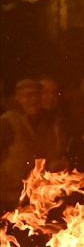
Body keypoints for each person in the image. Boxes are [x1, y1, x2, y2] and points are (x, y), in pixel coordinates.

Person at [1, 79, 44, 212]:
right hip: (6, 199)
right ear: (18, 98)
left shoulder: (44, 124)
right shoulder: (8, 122)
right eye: (28, 95)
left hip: (31, 198)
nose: (33, 100)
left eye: (37, 95)